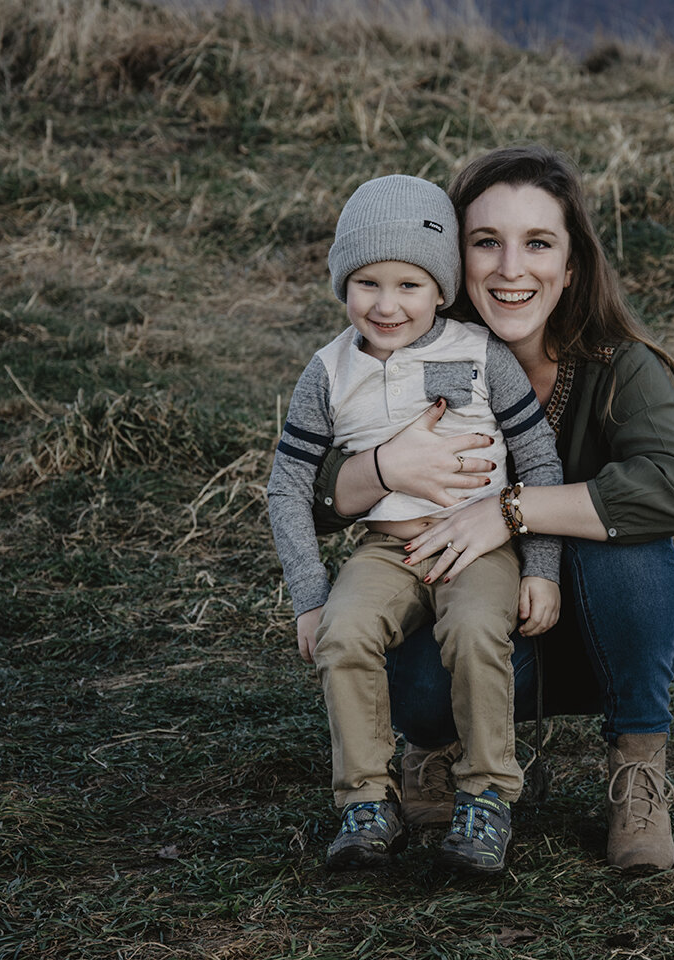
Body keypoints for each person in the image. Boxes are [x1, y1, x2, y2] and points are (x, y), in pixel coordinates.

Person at [310, 146, 674, 873]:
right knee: (420, 689)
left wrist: (514, 509)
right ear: (452, 258)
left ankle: (639, 769)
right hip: (480, 634)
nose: (511, 268)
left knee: (623, 540)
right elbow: (314, 490)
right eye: (486, 242)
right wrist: (381, 467)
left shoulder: (621, 366)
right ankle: (439, 745)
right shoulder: (414, 354)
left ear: (572, 264)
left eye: (538, 243)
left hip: (613, 632)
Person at [265, 174, 563, 875]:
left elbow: (539, 456)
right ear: (342, 285)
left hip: (476, 544)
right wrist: (309, 594)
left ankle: (487, 796)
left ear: (441, 289)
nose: (387, 304)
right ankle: (367, 803)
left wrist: (542, 566)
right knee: (344, 633)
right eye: (368, 283)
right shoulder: (328, 371)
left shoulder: (480, 353)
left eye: (410, 285)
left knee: (473, 631)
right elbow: (287, 484)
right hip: (384, 549)